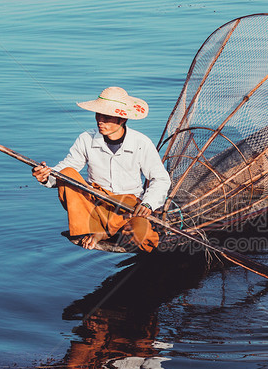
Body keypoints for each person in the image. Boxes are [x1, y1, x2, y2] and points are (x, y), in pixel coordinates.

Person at [31, 86, 171, 252]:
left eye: (107, 116)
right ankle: (95, 228)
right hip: (95, 204)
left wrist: (149, 203)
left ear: (122, 119)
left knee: (142, 236)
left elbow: (161, 179)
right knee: (67, 173)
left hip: (128, 207)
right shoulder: (86, 139)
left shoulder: (141, 142)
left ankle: (104, 232)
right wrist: (47, 176)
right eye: (98, 114)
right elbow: (67, 167)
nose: (100, 120)